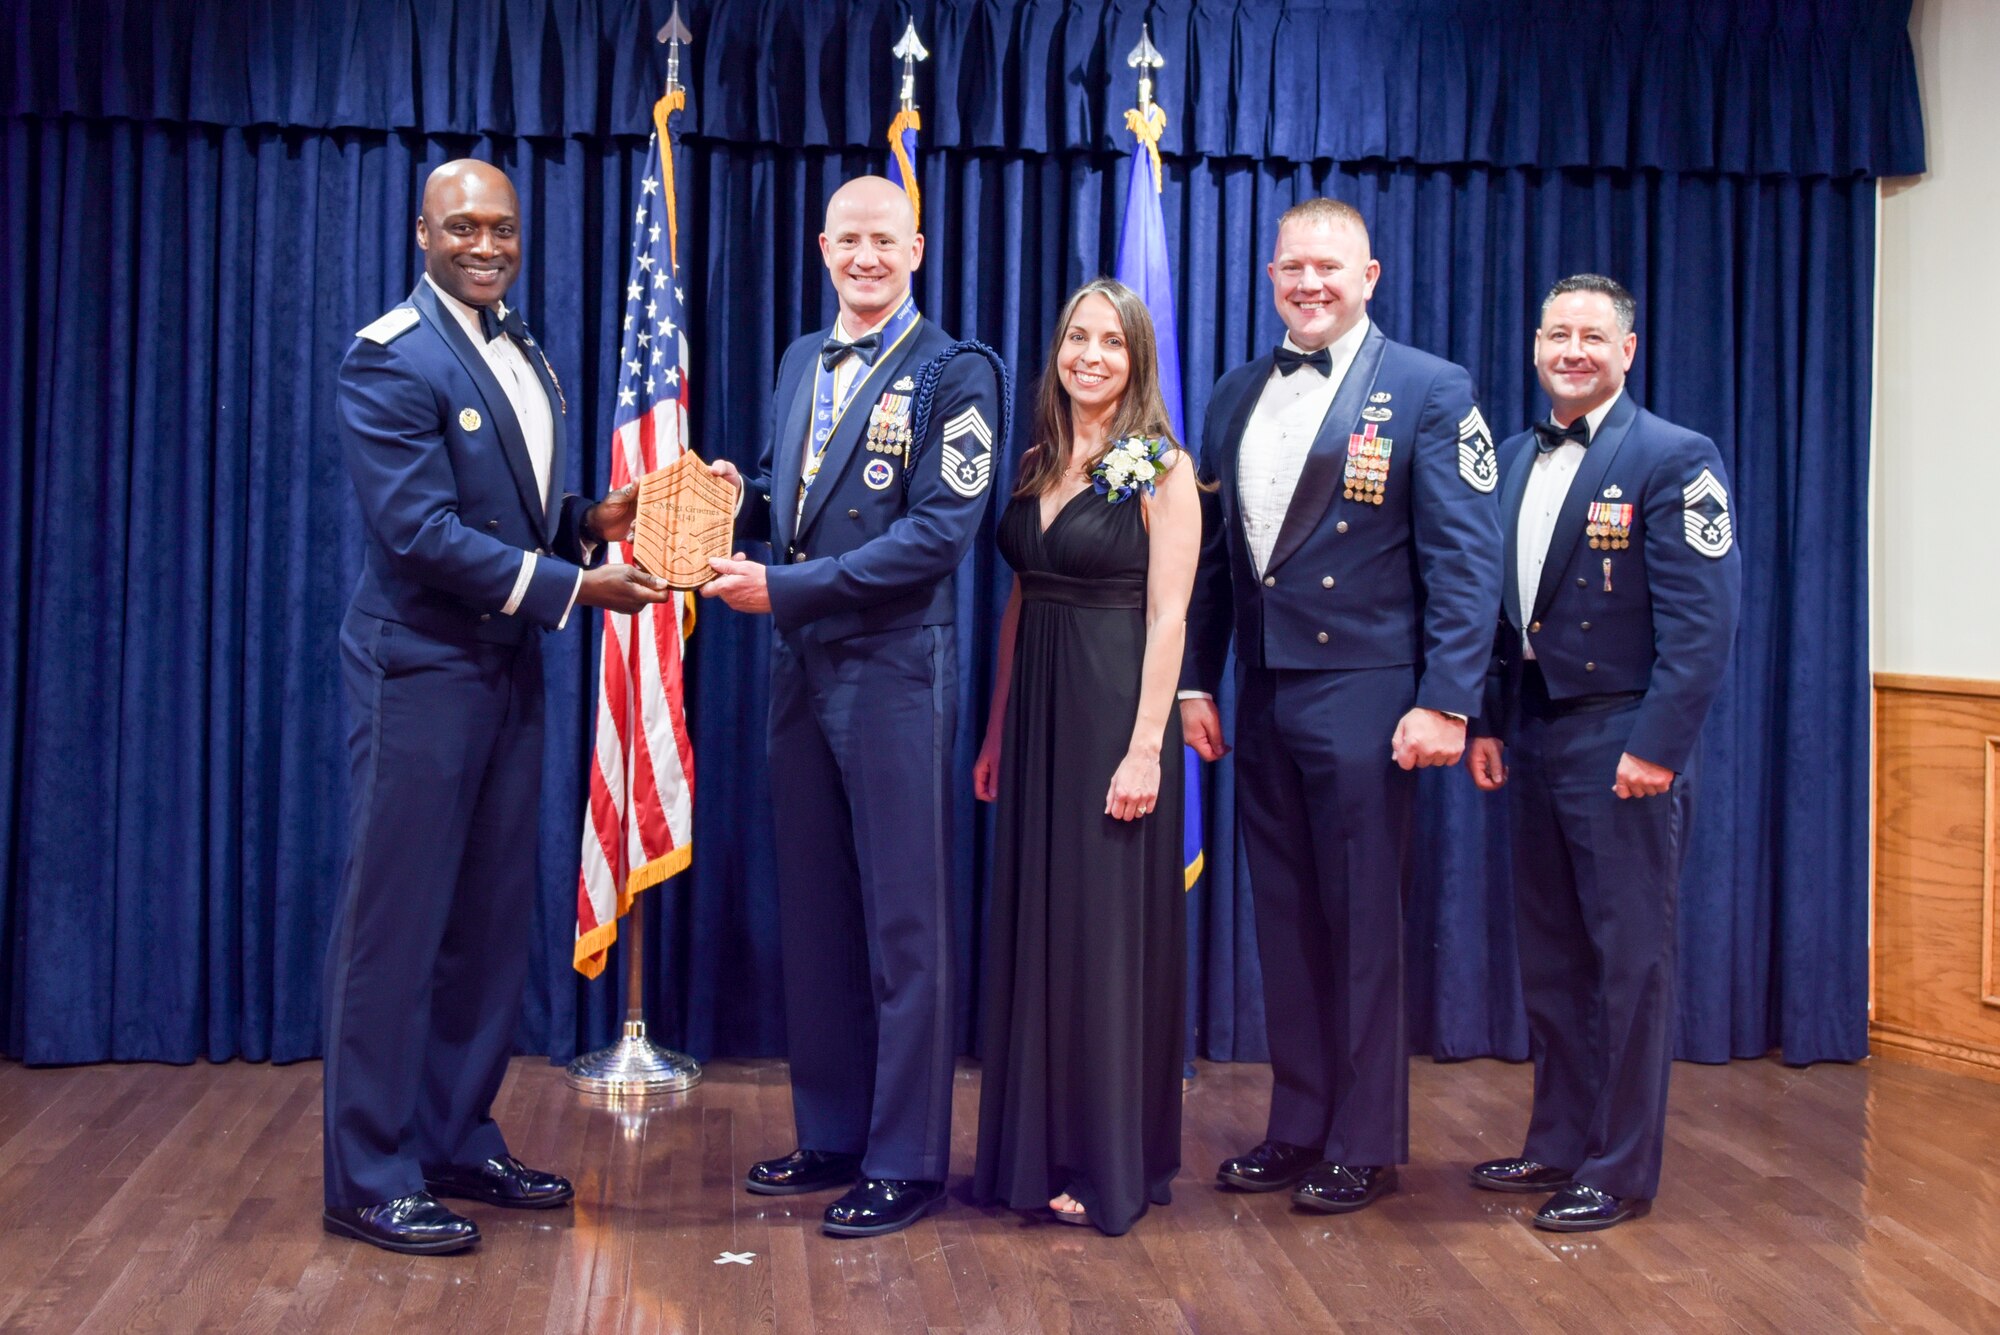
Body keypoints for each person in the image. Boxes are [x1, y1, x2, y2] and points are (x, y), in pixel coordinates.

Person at [324, 159, 673, 1254]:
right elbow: (420, 532)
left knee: (481, 926)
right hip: (421, 671)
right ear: (420, 231)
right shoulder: (389, 358)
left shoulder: (519, 346)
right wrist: (580, 587)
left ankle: (454, 1135)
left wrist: (589, 519)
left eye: (504, 228)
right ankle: (369, 1173)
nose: (486, 244)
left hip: (506, 666)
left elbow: (506, 512)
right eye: (463, 226)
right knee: (396, 930)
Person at [1182, 197, 1503, 1214]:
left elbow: (1466, 559)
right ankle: (1298, 1122)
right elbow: (1215, 560)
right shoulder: (1235, 392)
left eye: (1328, 268)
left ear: (1369, 278)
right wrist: (1197, 675)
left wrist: (1448, 700)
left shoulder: (1428, 389)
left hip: (1371, 695)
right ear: (1269, 278)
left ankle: (1361, 1140)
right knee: (1282, 919)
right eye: (1290, 269)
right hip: (1265, 692)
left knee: (1362, 921)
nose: (1308, 285)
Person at [703, 176, 1004, 1238]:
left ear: (916, 246)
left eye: (885, 238)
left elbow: (936, 534)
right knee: (818, 914)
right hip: (799, 666)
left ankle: (907, 1155)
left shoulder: (955, 373)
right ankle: (831, 1130)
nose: (866, 256)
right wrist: (738, 497)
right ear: (820, 245)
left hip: (891, 670)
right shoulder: (797, 358)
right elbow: (801, 497)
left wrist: (779, 589)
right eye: (848, 239)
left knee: (904, 923)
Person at [1463, 274, 1741, 1231]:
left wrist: (1659, 745)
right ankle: (1558, 1142)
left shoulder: (1675, 456)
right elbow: (1499, 616)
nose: (1572, 350)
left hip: (1624, 732)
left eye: (1593, 335)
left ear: (1629, 349)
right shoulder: (1505, 456)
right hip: (1536, 726)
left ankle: (1619, 1167)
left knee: (1630, 960)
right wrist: (1491, 719)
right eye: (1556, 334)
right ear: (1535, 347)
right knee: (1552, 954)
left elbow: (1704, 625)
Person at [969, 279, 1199, 1236]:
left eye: (1112, 340)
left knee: (1101, 944)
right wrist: (993, 731)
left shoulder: (1162, 468)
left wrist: (1146, 749)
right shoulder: (1035, 461)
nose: (1091, 355)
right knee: (1040, 933)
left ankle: (1108, 1162)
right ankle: (1033, 1150)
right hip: (1034, 731)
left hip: (1115, 726)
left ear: (1137, 358)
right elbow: (1024, 598)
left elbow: (1170, 615)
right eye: (1077, 336)